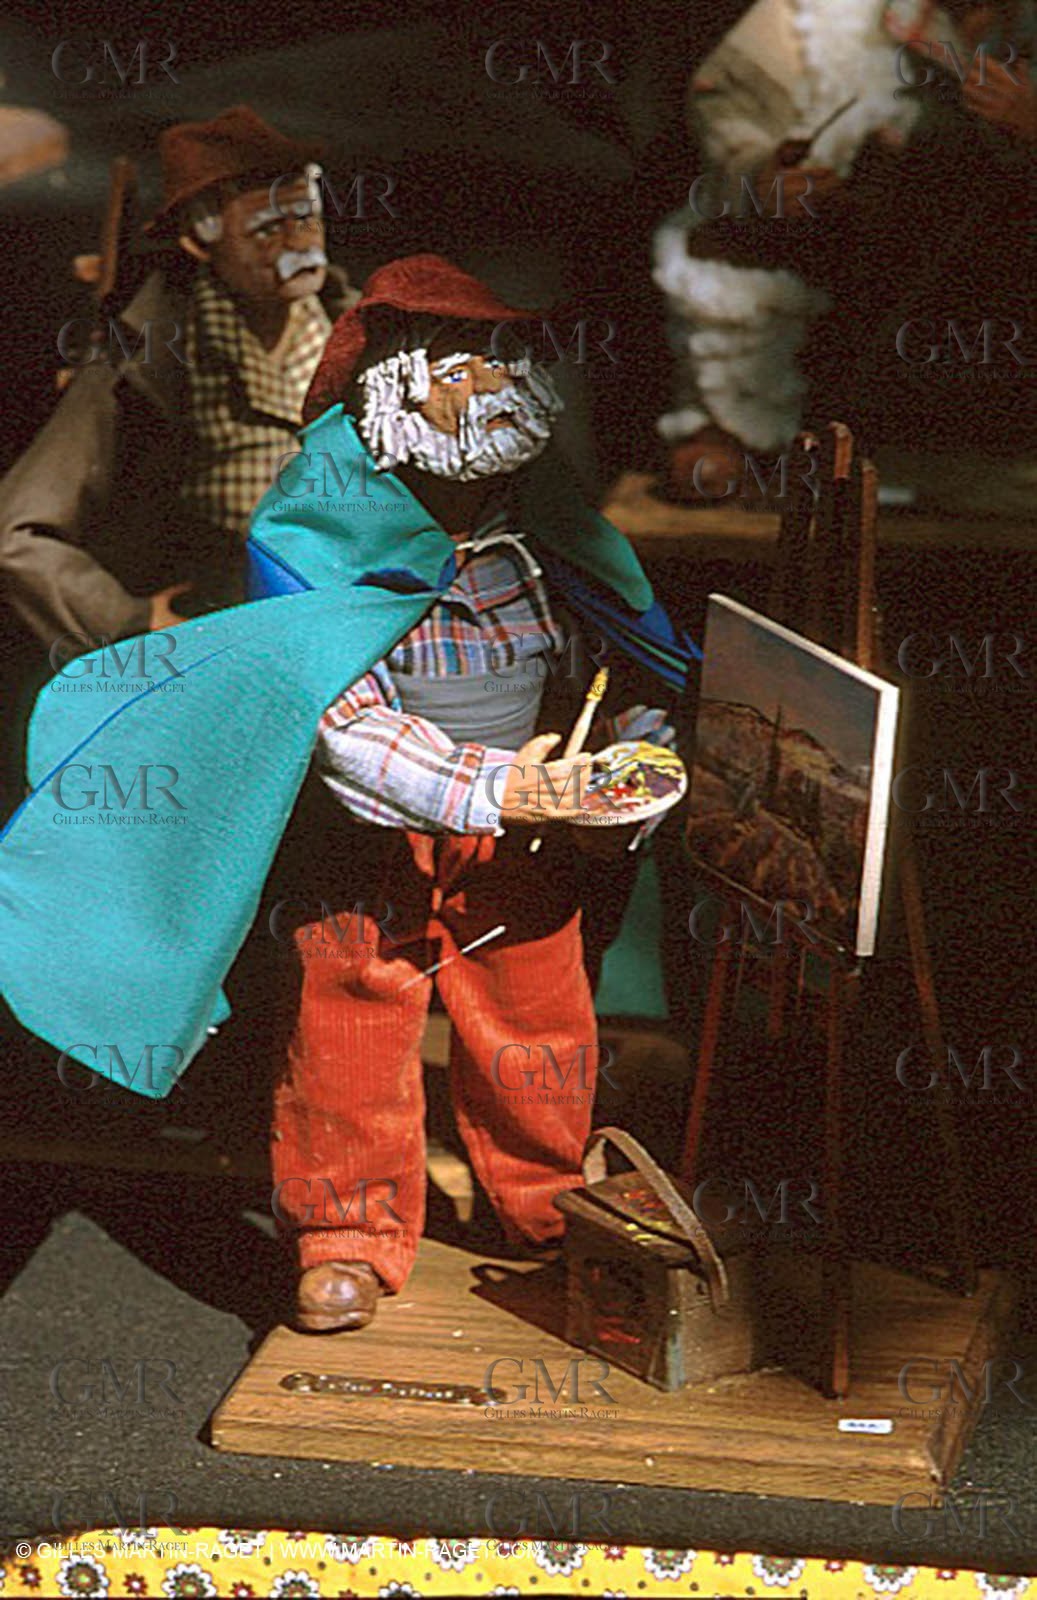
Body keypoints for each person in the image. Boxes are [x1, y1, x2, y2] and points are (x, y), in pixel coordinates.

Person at [0, 256, 697, 1335]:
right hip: (370, 840)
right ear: (395, 387)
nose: (494, 389)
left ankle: (550, 1210)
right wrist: (501, 785)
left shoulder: (548, 520)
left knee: (538, 1023)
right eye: (464, 369)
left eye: (510, 364)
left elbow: (630, 659)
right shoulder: (317, 524)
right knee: (346, 1033)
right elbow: (338, 718)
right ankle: (345, 1237)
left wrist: (626, 762)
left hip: (525, 834)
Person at [0, 105, 356, 651]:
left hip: (344, 618)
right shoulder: (145, 358)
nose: (297, 245)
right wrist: (129, 621)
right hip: (220, 631)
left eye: (306, 218)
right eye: (267, 229)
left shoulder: (360, 335)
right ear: (200, 238)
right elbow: (18, 535)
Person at [653, 0, 1037, 497]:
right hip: (871, 289)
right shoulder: (816, 16)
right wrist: (763, 175)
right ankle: (746, 430)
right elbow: (730, 110)